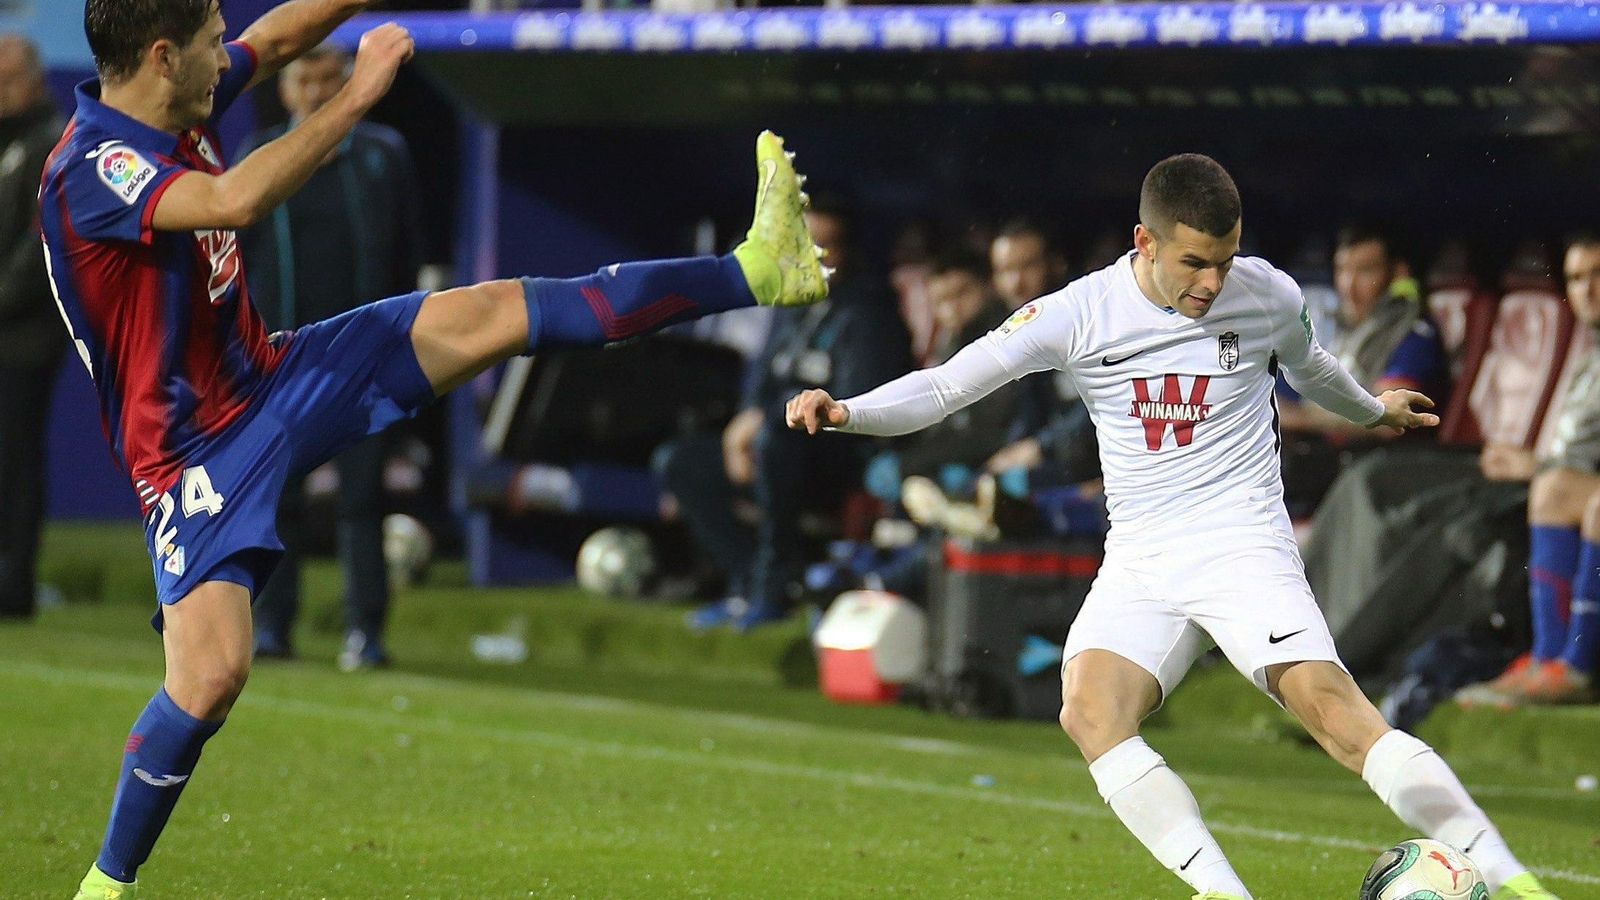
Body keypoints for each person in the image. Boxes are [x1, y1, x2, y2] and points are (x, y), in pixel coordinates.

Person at [43, 1, 829, 895]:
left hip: (275, 375)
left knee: (497, 310)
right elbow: (237, 199)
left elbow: (291, 32)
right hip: (191, 455)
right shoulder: (94, 170)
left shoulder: (179, 98)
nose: (232, 56)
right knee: (212, 675)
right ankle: (104, 887)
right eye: (216, 43)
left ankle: (759, 269)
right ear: (159, 57)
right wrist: (357, 97)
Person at [784, 155, 1557, 900]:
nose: (1213, 282)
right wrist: (849, 412)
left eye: (1225, 259)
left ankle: (1513, 881)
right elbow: (948, 386)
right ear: (1144, 242)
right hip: (1142, 555)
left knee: (1336, 715)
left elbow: (1311, 366)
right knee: (1089, 709)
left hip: (1241, 541)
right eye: (1195, 263)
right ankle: (1220, 891)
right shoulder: (1078, 313)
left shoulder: (1266, 294)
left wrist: (1371, 409)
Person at [240, 43, 424, 669]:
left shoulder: (382, 154)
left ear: (349, 79)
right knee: (277, 499)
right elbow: (234, 263)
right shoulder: (259, 157)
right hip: (280, 362)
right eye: (305, 79)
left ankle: (365, 633)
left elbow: (407, 252)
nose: (318, 90)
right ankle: (273, 629)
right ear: (286, 89)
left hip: (364, 358)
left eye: (329, 77)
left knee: (363, 499)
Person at [658, 198, 913, 631]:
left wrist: (771, 419)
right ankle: (745, 580)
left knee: (777, 440)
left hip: (839, 459)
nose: (812, 255)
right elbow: (763, 381)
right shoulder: (793, 306)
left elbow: (858, 403)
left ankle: (775, 587)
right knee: (680, 460)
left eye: (825, 246)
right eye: (804, 243)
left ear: (847, 252)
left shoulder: (869, 312)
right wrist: (748, 421)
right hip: (777, 447)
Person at [1456, 234, 1600, 708]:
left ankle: (1579, 665)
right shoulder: (1590, 359)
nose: (1588, 289)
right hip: (1574, 482)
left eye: (1598, 275)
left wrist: (1534, 464)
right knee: (1553, 491)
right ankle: (1547, 658)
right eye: (1578, 278)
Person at [0, 35, 65, 621]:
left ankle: (13, 585)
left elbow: (35, 243)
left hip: (23, 339)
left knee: (15, 461)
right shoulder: (11, 142)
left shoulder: (51, 142)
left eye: (6, 78)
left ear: (35, 78)